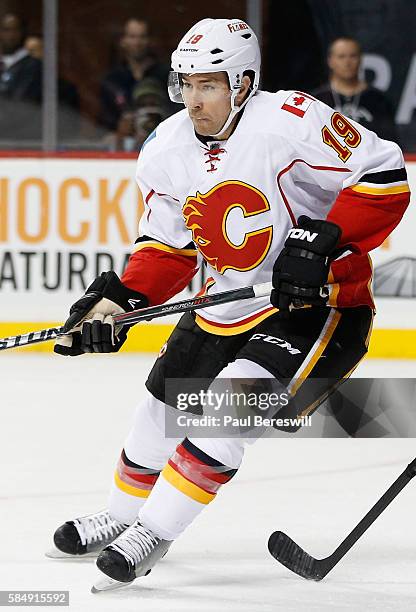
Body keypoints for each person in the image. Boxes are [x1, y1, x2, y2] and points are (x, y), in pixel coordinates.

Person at [48, 18, 410, 591]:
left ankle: (154, 530)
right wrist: (120, 300)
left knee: (227, 407)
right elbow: (167, 247)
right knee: (156, 412)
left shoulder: (292, 120)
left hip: (318, 306)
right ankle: (122, 516)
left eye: (208, 85)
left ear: (243, 83)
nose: (193, 100)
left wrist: (327, 238)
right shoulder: (165, 147)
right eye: (185, 84)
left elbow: (385, 173)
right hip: (225, 302)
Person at [312, 37, 397, 142]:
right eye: (341, 56)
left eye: (353, 56)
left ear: (361, 59)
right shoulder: (317, 99)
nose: (347, 62)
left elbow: (388, 142)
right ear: (330, 61)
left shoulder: (379, 100)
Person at [98, 18, 169, 131]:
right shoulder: (112, 79)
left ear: (150, 40)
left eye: (142, 37)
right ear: (122, 40)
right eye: (132, 37)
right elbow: (105, 121)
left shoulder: (166, 75)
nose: (137, 42)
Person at [0, 13, 42, 140]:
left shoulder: (33, 66)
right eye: (6, 30)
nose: (10, 35)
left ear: (23, 32)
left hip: (22, 138)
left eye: (15, 30)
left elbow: (20, 102)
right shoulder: (2, 64)